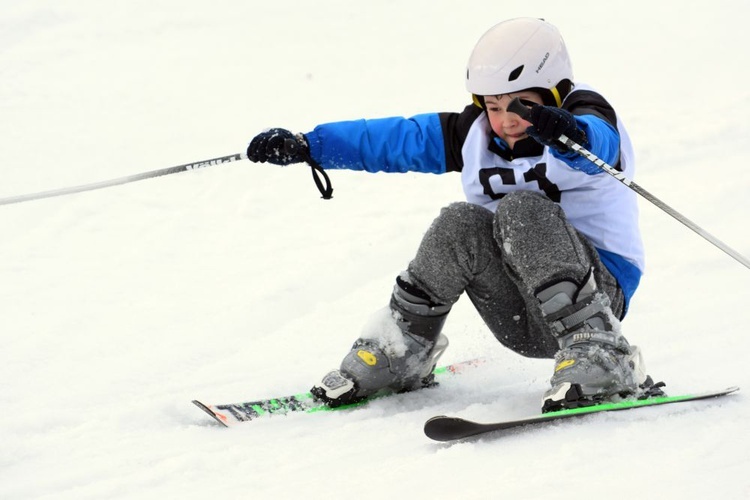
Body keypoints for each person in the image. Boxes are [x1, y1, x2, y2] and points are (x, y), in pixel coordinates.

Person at [247, 17, 656, 412]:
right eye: (493, 106)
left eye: (522, 106)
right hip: (519, 312)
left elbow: (600, 142)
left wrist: (570, 132)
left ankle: (602, 354)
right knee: (460, 221)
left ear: (554, 92)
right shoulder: (474, 133)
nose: (506, 120)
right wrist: (310, 146)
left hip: (599, 292)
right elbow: (395, 139)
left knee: (520, 208)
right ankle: (400, 350)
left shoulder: (586, 112)